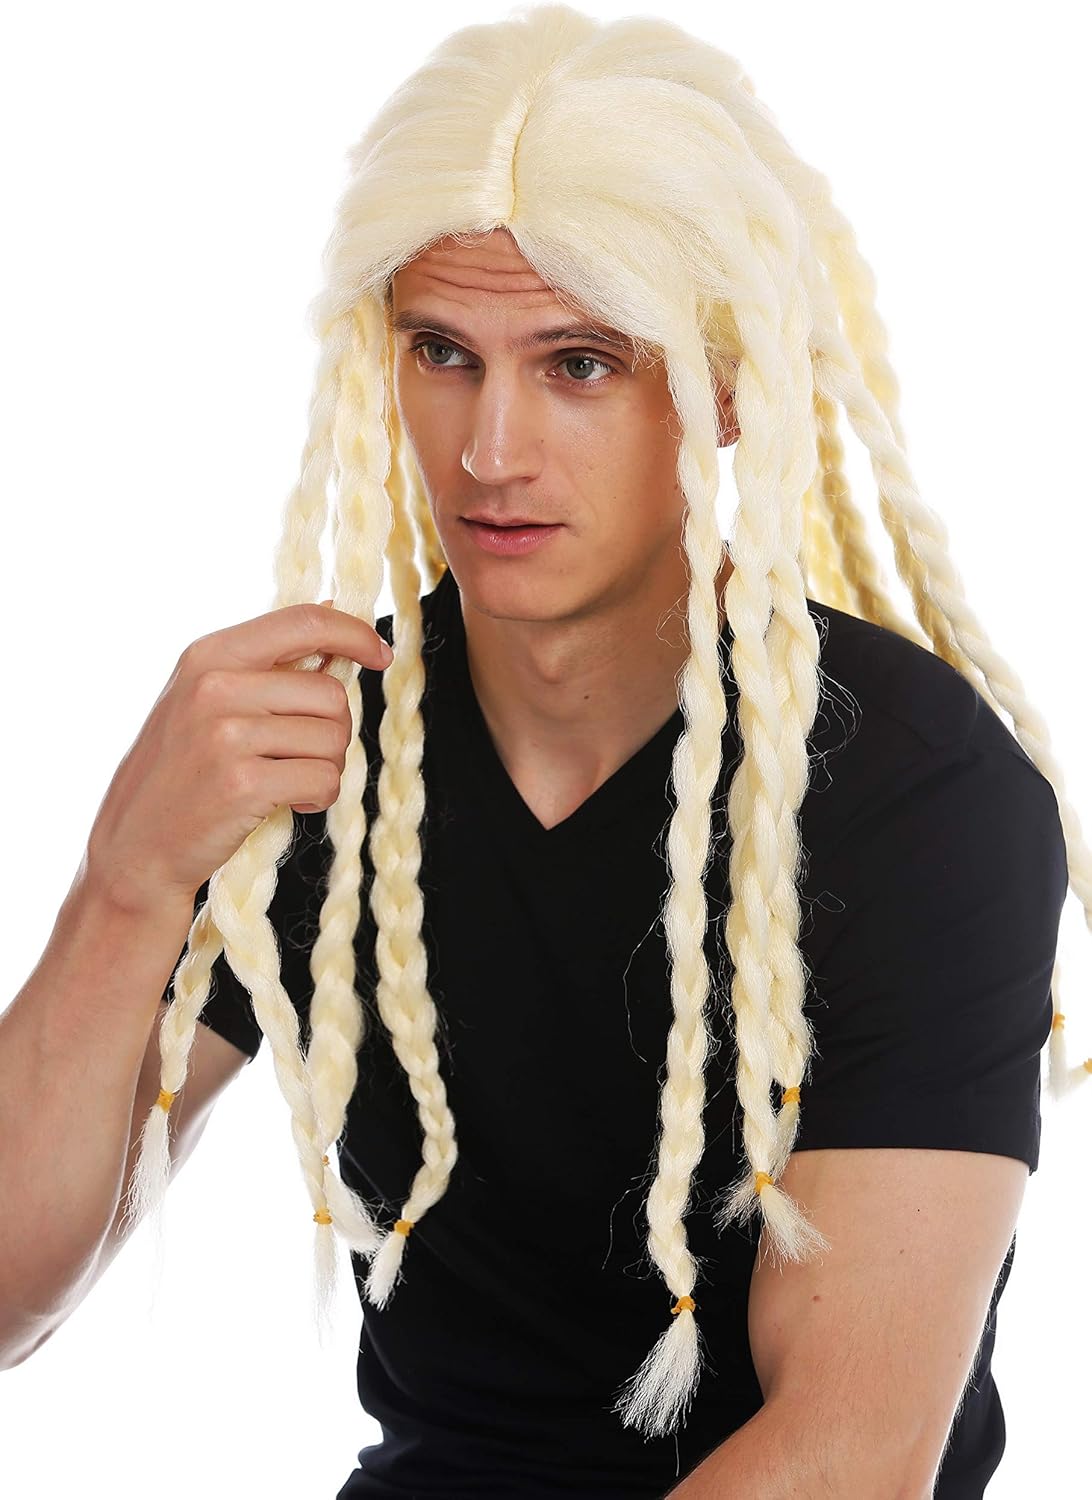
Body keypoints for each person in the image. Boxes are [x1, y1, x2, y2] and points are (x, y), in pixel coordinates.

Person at [0, 6, 1082, 1498]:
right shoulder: (325, 748)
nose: (490, 451)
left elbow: (847, 1455)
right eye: (443, 352)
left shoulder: (913, 791)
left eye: (578, 364)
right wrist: (123, 886)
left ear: (725, 388)